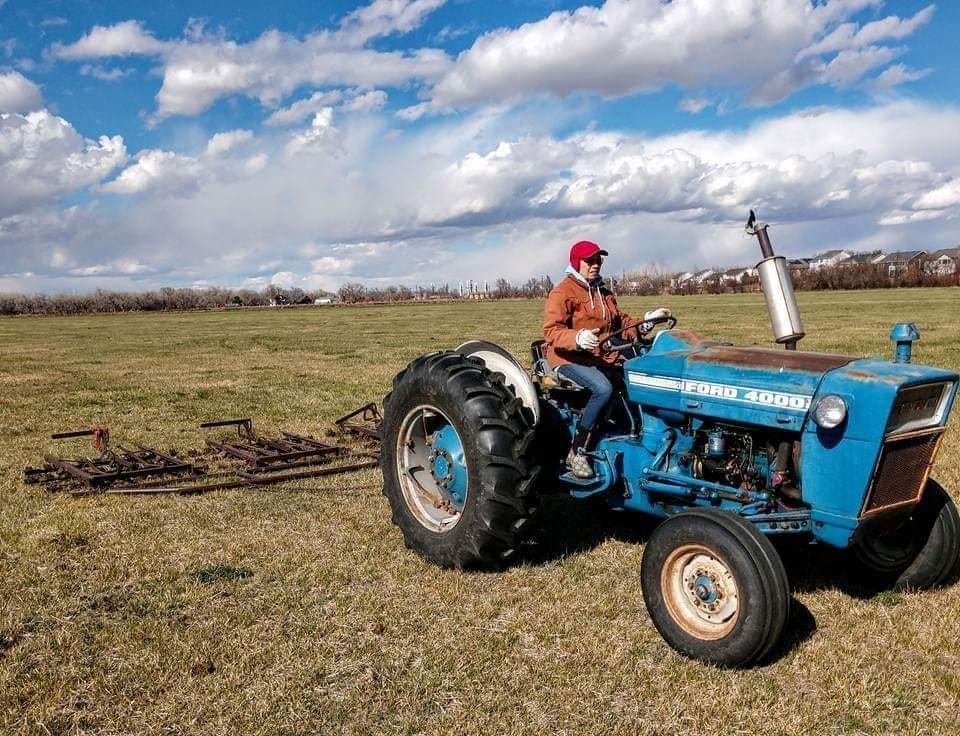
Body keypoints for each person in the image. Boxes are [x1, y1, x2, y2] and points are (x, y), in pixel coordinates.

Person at [543, 240, 669, 479]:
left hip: (597, 355)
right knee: (602, 388)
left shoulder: (603, 293)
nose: (595, 265)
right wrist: (577, 337)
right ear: (576, 263)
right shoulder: (563, 292)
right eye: (589, 261)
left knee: (634, 376)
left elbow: (622, 325)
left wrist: (646, 322)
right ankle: (577, 450)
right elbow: (551, 331)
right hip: (568, 357)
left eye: (598, 260)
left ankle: (632, 435)